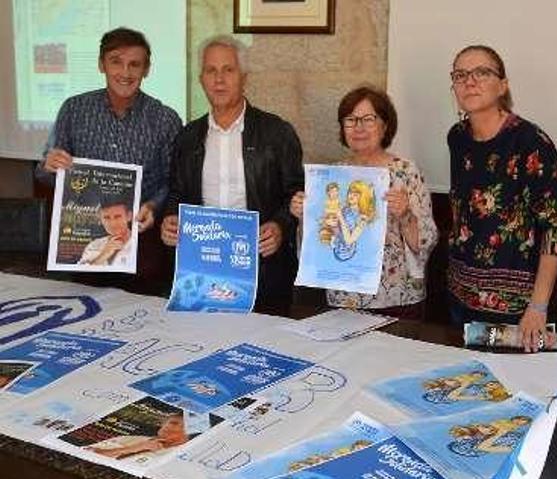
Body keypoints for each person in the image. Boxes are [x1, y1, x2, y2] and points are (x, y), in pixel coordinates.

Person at [161, 35, 304, 314]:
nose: (219, 79)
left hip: (264, 269)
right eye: (211, 71)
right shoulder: (187, 137)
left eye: (228, 70)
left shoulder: (277, 132)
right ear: (201, 79)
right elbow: (176, 193)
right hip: (201, 271)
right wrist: (170, 220)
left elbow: (296, 193)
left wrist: (280, 227)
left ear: (244, 77)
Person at [36, 27, 182, 292]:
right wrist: (49, 166)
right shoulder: (74, 110)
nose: (125, 73)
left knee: (145, 321)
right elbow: (44, 173)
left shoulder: (165, 119)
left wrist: (153, 205)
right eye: (116, 62)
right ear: (101, 64)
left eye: (134, 65)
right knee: (87, 316)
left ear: (146, 70)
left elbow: (174, 182)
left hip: (143, 245)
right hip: (85, 243)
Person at [446, 45, 557, 352]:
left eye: (481, 72)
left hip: (516, 307)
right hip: (459, 295)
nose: (469, 81)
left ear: (503, 85)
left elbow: (554, 228)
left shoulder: (531, 142)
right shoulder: (457, 137)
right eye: (460, 75)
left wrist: (538, 307)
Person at [290, 86, 438, 319]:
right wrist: (304, 216)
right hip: (343, 296)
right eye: (351, 120)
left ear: (385, 125)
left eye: (368, 119)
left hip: (396, 298)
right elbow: (318, 242)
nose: (359, 127)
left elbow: (425, 243)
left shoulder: (405, 172)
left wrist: (406, 214)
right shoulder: (332, 177)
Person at [84, 413, 188, 460]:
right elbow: (86, 452)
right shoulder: (130, 439)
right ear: (163, 423)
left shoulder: (180, 455)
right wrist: (134, 448)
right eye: (173, 423)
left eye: (184, 427)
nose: (175, 428)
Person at [77, 195, 134, 267]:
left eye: (118, 217)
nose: (112, 223)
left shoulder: (137, 244)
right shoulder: (94, 245)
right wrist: (103, 255)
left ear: (129, 216)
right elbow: (80, 274)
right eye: (106, 217)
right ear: (101, 219)